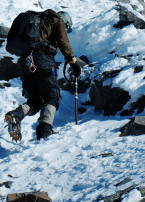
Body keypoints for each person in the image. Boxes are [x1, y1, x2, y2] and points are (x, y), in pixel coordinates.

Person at [5, 10, 86, 141]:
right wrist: (73, 62)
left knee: (35, 101)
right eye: (67, 27)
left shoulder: (39, 23)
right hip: (42, 60)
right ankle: (45, 130)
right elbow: (64, 43)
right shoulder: (57, 21)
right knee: (52, 96)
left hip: (25, 62)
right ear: (65, 21)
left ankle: (17, 114)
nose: (65, 29)